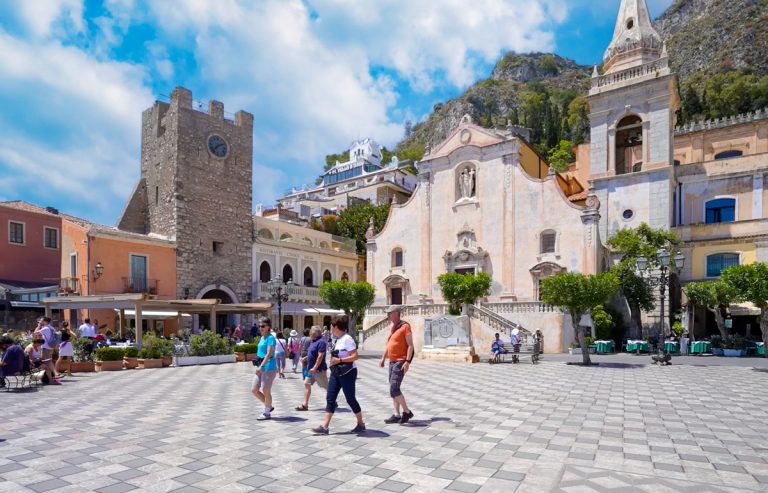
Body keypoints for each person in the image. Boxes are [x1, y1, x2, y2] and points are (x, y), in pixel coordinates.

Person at [312, 318, 365, 435]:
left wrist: (340, 359)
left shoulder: (347, 339)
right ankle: (324, 427)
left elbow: (355, 356)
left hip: (348, 373)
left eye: (331, 326)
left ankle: (361, 423)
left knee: (350, 399)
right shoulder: (337, 339)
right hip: (336, 372)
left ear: (335, 327)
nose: (330, 329)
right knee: (330, 398)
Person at [380, 305, 414, 424]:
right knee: (394, 388)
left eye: (389, 313)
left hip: (400, 361)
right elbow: (389, 344)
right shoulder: (391, 327)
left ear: (395, 313)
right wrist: (383, 358)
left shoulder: (405, 326)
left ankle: (407, 412)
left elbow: (410, 345)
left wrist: (407, 362)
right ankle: (396, 414)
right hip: (392, 361)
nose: (388, 315)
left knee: (394, 388)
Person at [295, 326, 328, 411]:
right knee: (307, 384)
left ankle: (333, 401)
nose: (309, 334)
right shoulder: (313, 341)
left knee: (326, 387)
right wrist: (305, 358)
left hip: (318, 370)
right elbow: (312, 353)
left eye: (310, 333)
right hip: (311, 370)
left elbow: (320, 356)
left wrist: (315, 367)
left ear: (314, 333)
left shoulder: (321, 342)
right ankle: (305, 405)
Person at [252, 318, 278, 421]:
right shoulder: (262, 337)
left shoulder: (270, 338)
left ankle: (266, 413)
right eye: (259, 326)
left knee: (266, 390)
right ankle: (269, 406)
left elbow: (269, 353)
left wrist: (262, 366)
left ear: (268, 327)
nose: (260, 328)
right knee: (254, 389)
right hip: (260, 366)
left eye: (263, 326)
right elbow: (261, 352)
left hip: (269, 367)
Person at [38, 317, 61, 384]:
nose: (40, 321)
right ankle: (50, 379)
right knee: (47, 364)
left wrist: (39, 326)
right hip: (51, 347)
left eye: (41, 320)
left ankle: (55, 373)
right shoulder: (51, 328)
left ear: (45, 321)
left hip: (45, 348)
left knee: (48, 362)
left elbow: (35, 333)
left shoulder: (45, 328)